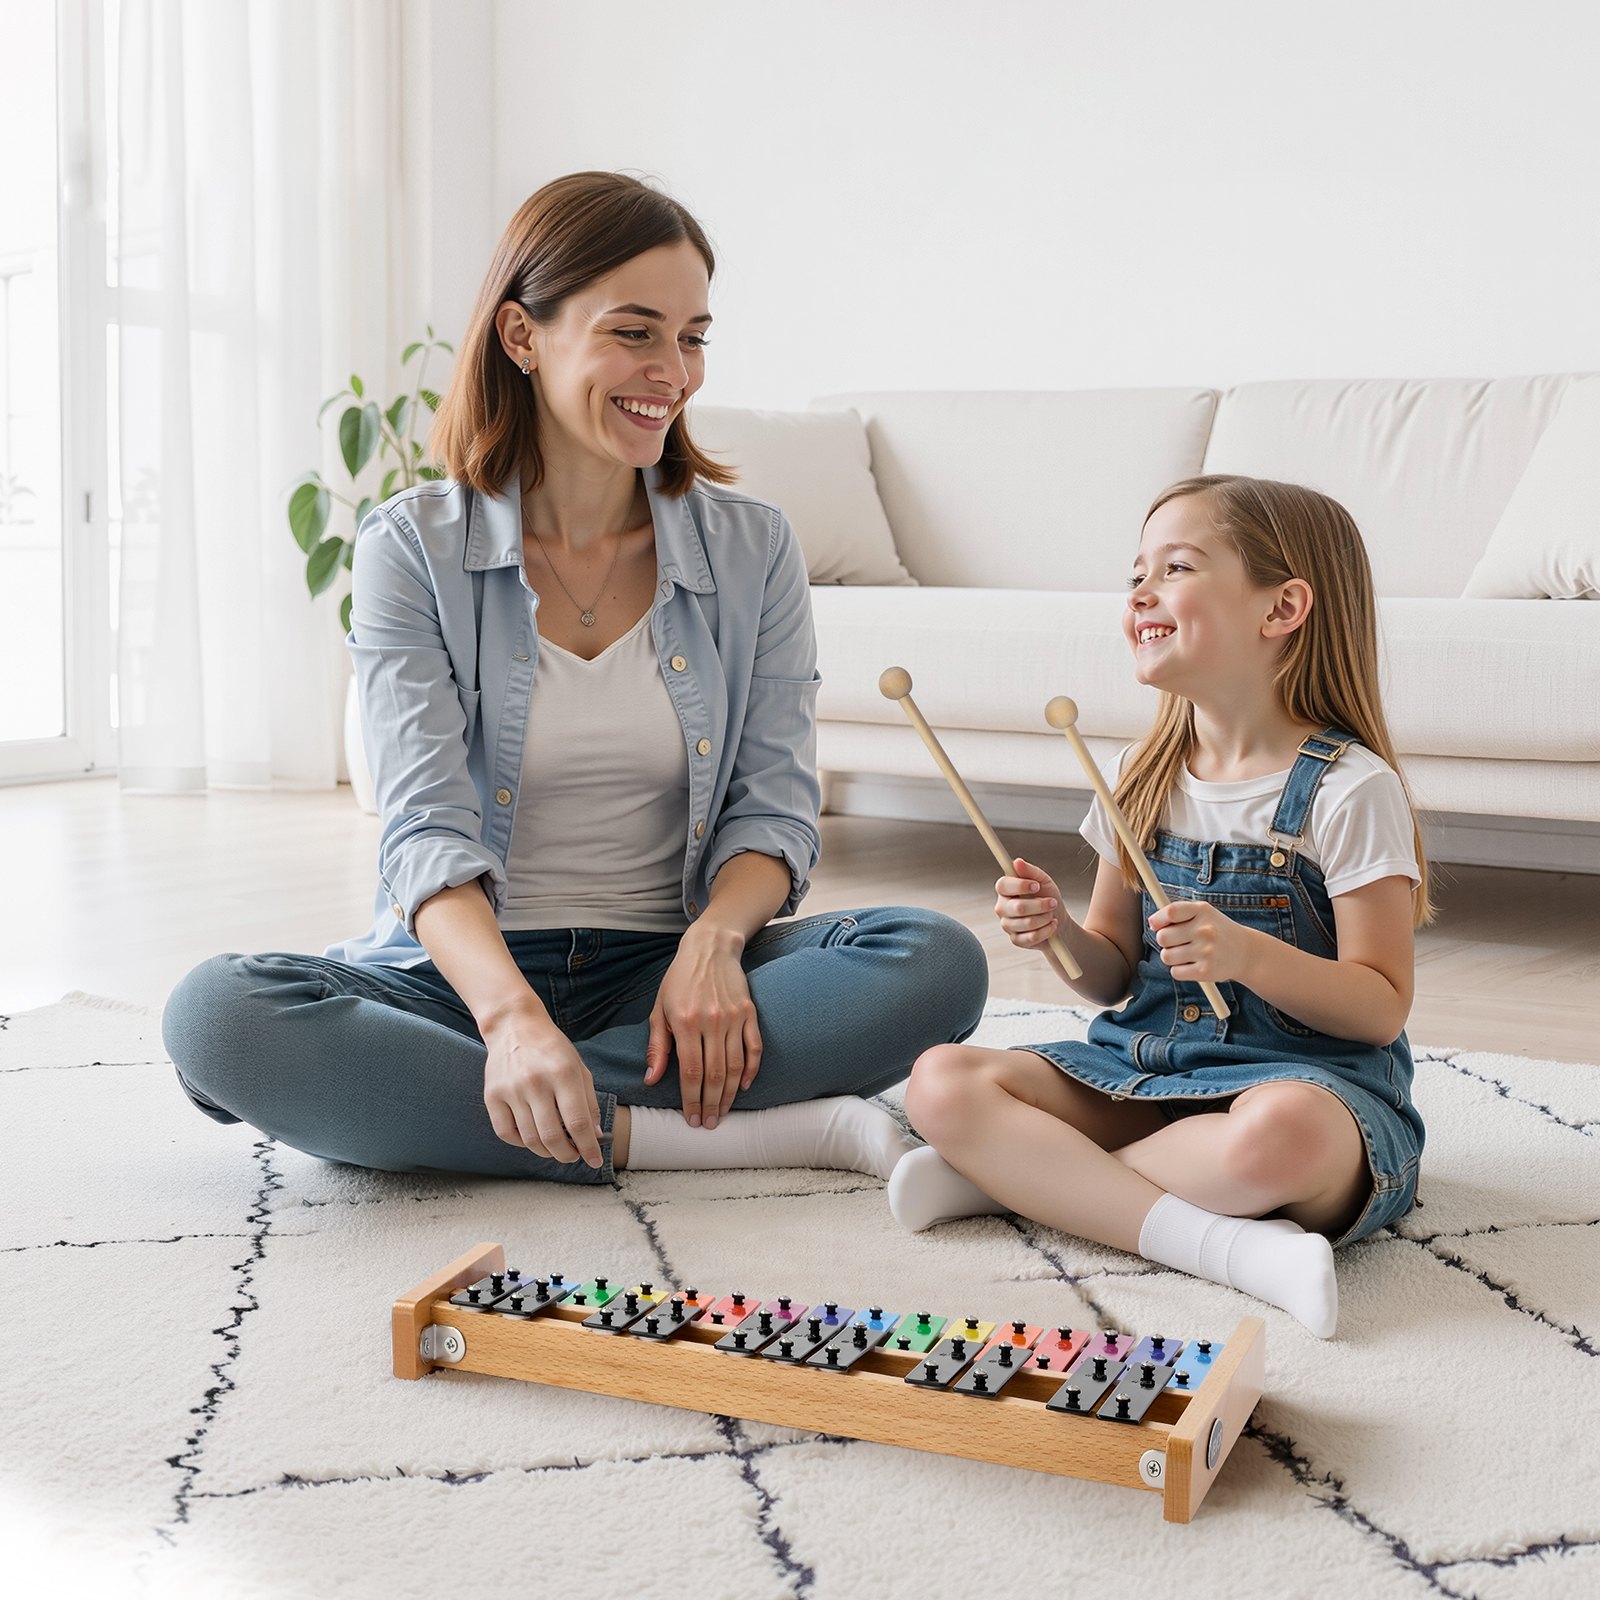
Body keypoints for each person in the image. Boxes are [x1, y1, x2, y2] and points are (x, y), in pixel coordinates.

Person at [163, 172, 986, 1185]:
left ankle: (454, 1107)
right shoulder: (412, 548)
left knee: (937, 959)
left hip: (666, 979)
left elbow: (774, 804)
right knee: (218, 1017)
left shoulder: (753, 547)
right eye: (633, 332)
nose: (671, 372)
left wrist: (717, 944)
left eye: (691, 337)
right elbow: (423, 828)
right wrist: (509, 1018)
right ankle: (701, 1130)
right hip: (461, 980)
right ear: (522, 335)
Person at [886, 476, 1432, 1339]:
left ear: (1282, 606)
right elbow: (1107, 974)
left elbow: (1379, 1006)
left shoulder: (1350, 790)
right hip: (1148, 1075)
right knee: (940, 1083)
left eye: (1175, 568)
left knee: (1279, 1136)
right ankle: (1224, 1245)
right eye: (1135, 572)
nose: (1141, 592)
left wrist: (1249, 955)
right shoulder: (1138, 775)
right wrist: (1058, 931)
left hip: (1307, 1087)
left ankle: (1019, 1181)